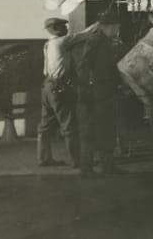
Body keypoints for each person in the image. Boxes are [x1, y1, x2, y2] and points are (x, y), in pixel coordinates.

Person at [65, 9, 125, 176]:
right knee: (93, 130)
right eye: (116, 27)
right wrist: (88, 87)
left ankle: (105, 166)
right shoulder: (96, 40)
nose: (117, 30)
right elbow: (85, 66)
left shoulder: (104, 41)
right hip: (96, 93)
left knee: (105, 129)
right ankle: (89, 168)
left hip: (101, 91)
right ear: (109, 27)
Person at [36, 17, 78, 168]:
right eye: (63, 26)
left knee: (44, 126)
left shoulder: (47, 44)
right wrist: (98, 25)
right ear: (55, 28)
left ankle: (44, 159)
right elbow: (82, 35)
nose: (67, 29)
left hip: (46, 86)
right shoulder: (61, 42)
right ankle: (76, 160)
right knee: (68, 124)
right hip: (57, 87)